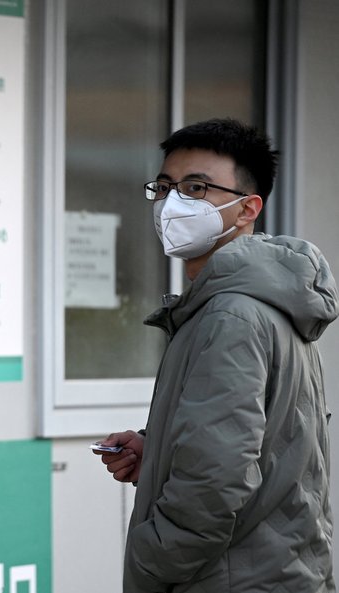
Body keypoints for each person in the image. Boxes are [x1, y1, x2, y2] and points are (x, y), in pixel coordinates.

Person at [94, 118, 336, 592]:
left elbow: (213, 485)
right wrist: (159, 449)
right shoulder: (266, 304)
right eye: (164, 187)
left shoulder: (232, 315)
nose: (171, 203)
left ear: (247, 209)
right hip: (277, 571)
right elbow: (260, 441)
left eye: (196, 187)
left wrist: (150, 559)